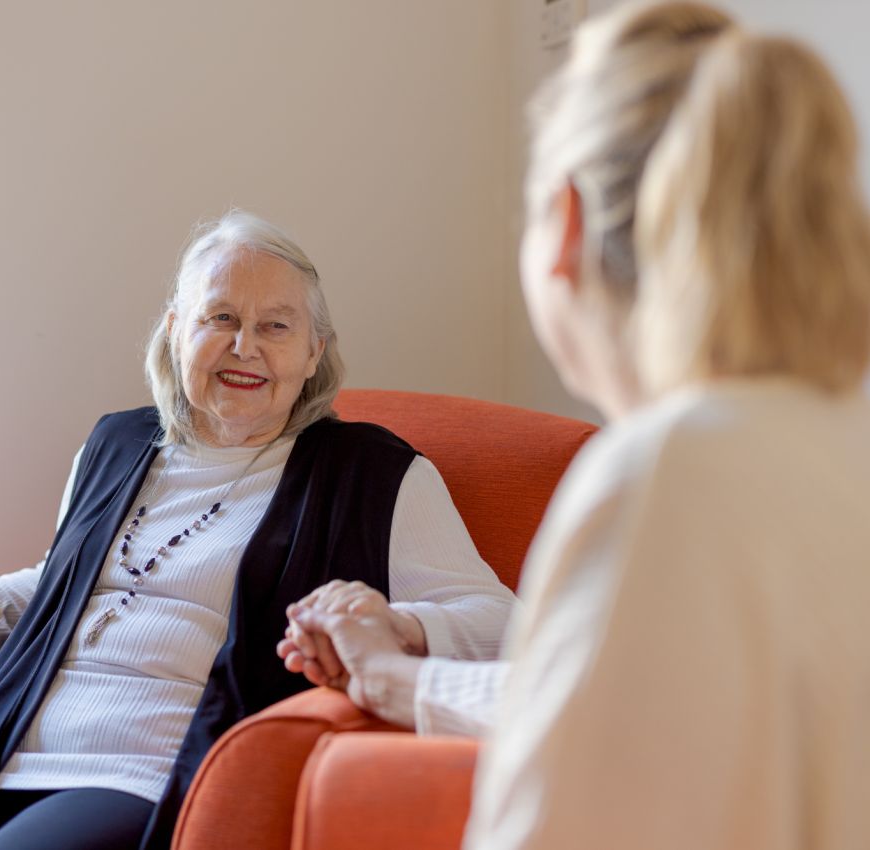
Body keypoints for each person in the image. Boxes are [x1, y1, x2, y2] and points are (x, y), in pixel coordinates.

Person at [282, 3, 870, 848]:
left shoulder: (662, 473)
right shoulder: (835, 446)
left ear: (564, 225)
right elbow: (610, 701)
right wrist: (393, 677)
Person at [0, 210, 517, 850]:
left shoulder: (370, 473)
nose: (245, 346)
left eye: (276, 326)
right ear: (177, 329)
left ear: (315, 351)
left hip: (144, 781)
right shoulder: (116, 443)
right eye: (221, 318)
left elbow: (503, 621)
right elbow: (73, 580)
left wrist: (397, 626)